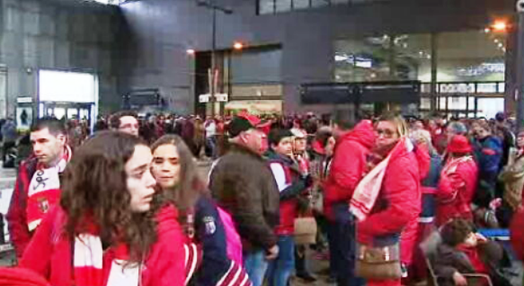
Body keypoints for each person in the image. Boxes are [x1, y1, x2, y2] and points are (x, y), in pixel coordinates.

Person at [18, 131, 186, 286]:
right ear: (105, 181)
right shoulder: (63, 217)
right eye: (139, 173)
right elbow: (28, 276)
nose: (153, 182)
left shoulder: (163, 234)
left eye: (149, 170)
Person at [151, 134, 250, 285]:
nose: (165, 168)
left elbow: (216, 254)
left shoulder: (200, 202)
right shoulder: (142, 198)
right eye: (158, 161)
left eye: (174, 162)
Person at [209, 115, 280, 286]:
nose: (263, 136)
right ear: (245, 136)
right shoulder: (246, 166)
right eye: (259, 131)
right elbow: (249, 212)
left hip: (237, 240)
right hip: (251, 243)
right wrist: (269, 242)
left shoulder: (232, 160)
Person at [352, 113, 421, 286]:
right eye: (378, 131)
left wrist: (366, 224)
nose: (381, 136)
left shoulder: (399, 163)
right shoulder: (385, 157)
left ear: (400, 135)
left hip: (387, 241)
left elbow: (402, 212)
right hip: (384, 238)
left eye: (388, 133)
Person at [6, 117, 72, 259]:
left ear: (61, 139)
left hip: (72, 257)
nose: (36, 148)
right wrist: (25, 252)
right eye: (33, 143)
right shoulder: (28, 170)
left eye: (43, 141)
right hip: (35, 255)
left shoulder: (83, 166)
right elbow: (15, 216)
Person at [324, 111, 374, 286]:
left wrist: (328, 193)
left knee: (349, 258)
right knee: (353, 256)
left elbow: (347, 184)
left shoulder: (348, 146)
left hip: (345, 208)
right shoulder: (360, 143)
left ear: (336, 126)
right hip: (356, 207)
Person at [265, 128, 313, 286]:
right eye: (284, 143)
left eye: (289, 143)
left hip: (281, 219)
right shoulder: (276, 165)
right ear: (273, 146)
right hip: (282, 221)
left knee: (276, 265)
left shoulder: (283, 162)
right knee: (285, 264)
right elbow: (280, 193)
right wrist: (302, 184)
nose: (288, 146)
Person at [434, 219, 511, 286]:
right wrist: (453, 273)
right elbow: (438, 266)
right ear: (459, 242)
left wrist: (487, 243)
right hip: (474, 281)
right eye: (468, 237)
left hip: (490, 275)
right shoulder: (449, 253)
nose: (473, 237)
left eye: (472, 233)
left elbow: (498, 255)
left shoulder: (478, 245)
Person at [435, 135, 478, 227]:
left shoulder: (456, 168)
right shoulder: (470, 162)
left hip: (452, 210)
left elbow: (446, 193)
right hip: (463, 207)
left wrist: (441, 177)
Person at [472, 121, 503, 207]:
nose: (479, 134)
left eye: (481, 131)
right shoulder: (477, 141)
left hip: (488, 172)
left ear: (488, 130)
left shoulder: (493, 142)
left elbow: (490, 158)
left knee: (486, 193)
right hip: (481, 171)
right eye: (477, 132)